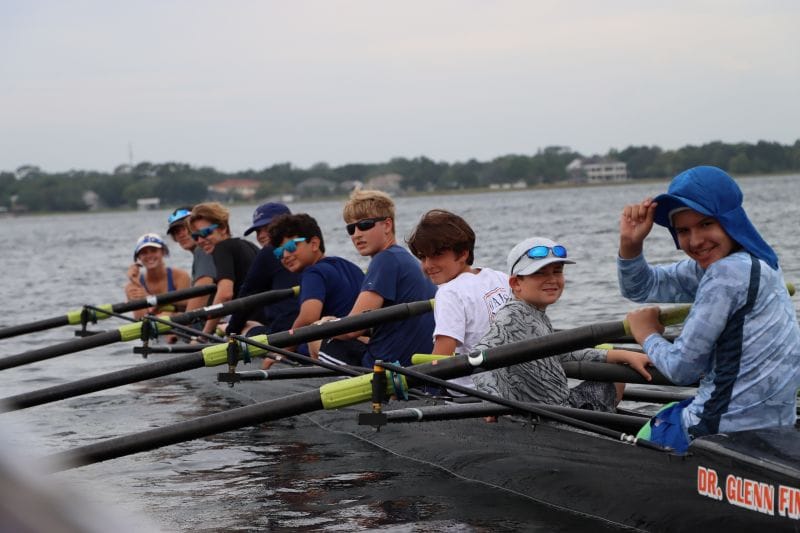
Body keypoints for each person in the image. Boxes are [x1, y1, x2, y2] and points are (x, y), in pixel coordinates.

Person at [618, 165, 800, 453]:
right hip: (776, 426)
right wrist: (631, 244)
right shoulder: (759, 260)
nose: (696, 241)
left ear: (730, 221)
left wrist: (646, 333)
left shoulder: (726, 274)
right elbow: (641, 287)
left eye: (706, 224)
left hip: (721, 431)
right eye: (684, 230)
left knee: (643, 434)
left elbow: (680, 369)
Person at [472, 236, 651, 414]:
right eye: (539, 273)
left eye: (557, 271)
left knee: (615, 371)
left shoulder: (534, 313)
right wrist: (492, 405)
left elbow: (560, 354)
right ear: (516, 283)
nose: (551, 279)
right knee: (616, 375)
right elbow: (479, 356)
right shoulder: (512, 315)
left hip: (555, 411)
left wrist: (618, 354)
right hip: (549, 418)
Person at [406, 209, 511, 390]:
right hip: (510, 384)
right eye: (423, 257)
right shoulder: (499, 277)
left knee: (382, 412)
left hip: (472, 393)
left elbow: (441, 357)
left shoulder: (449, 293)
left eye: (436, 255)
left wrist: (407, 382)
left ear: (462, 254)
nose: (428, 265)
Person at [335, 189, 437, 367]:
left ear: (387, 225)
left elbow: (352, 329)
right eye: (351, 228)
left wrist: (323, 324)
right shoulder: (404, 259)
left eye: (364, 225)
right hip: (416, 366)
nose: (356, 234)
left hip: (388, 369)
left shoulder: (385, 260)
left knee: (318, 341)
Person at [263, 213, 366, 368]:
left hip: (338, 350)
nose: (285, 255)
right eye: (279, 252)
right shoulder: (349, 266)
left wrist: (281, 353)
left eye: (291, 247)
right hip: (363, 347)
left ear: (314, 244)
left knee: (259, 335)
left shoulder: (313, 274)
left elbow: (308, 318)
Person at [226, 202, 301, 337]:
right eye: (258, 231)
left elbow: (247, 296)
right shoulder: (307, 247)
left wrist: (231, 331)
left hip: (285, 334)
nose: (261, 235)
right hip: (308, 326)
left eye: (267, 228)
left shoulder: (269, 251)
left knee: (247, 328)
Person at [187, 202, 259, 338]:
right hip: (264, 320)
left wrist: (204, 336)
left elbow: (225, 294)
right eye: (196, 236)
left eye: (206, 232)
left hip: (250, 325)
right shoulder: (249, 245)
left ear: (223, 228)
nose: (201, 240)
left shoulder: (222, 248)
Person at [124, 233, 191, 319]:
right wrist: (137, 283)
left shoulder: (181, 276)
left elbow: (184, 309)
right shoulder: (132, 286)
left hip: (178, 328)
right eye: (144, 253)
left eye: (153, 250)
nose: (149, 256)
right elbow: (140, 318)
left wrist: (148, 297)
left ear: (163, 252)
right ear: (139, 257)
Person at [165, 206, 217, 313]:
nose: (181, 234)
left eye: (185, 228)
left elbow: (202, 293)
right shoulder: (205, 250)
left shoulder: (203, 250)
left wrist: (184, 325)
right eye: (176, 232)